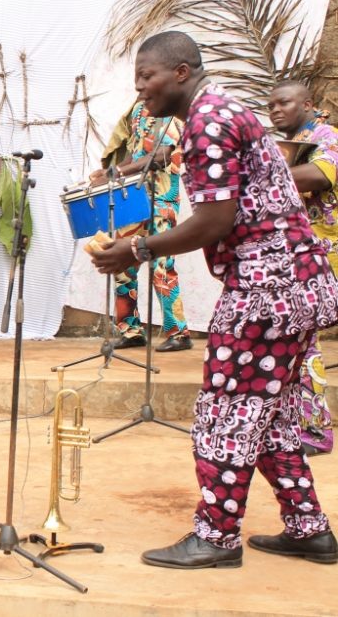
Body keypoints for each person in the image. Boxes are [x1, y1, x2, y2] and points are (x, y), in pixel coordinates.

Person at [92, 31, 337, 568]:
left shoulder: (208, 122)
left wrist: (135, 249)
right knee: (267, 413)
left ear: (180, 72)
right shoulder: (222, 110)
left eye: (146, 76)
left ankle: (218, 537)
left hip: (266, 291)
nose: (140, 88)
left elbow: (213, 221)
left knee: (225, 411)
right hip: (296, 282)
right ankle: (308, 528)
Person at [266, 79, 337, 456]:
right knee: (299, 341)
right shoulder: (285, 147)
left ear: (308, 103)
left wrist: (263, 176)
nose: (275, 110)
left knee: (305, 343)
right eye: (271, 105)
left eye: (284, 103)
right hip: (306, 259)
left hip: (330, 257)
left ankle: (316, 431)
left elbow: (321, 175)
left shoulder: (327, 135)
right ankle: (300, 425)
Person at [89, 98, 192, 352]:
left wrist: (119, 173)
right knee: (122, 262)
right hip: (131, 197)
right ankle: (131, 331)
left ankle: (179, 333)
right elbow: (136, 155)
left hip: (162, 197)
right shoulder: (137, 110)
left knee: (161, 264)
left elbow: (164, 154)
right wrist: (109, 173)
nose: (143, 85)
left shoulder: (171, 109)